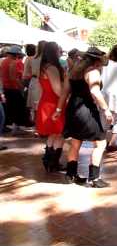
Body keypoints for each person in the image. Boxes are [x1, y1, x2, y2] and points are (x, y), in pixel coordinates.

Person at [53, 47, 112, 188]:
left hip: (73, 109)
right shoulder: (93, 72)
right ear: (97, 61)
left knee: (75, 143)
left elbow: (64, 93)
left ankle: (71, 174)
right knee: (100, 143)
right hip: (87, 110)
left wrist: (58, 110)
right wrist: (106, 110)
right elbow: (95, 92)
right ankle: (94, 178)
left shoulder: (72, 72)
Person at [36, 42, 66, 173]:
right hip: (54, 103)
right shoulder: (52, 68)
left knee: (53, 134)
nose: (60, 51)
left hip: (47, 102)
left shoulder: (43, 66)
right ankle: (53, 162)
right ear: (54, 52)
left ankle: (48, 161)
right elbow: (58, 90)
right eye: (59, 49)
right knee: (60, 134)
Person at [0, 46, 28, 133]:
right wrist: (21, 87)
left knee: (11, 108)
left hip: (6, 87)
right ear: (16, 54)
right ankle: (16, 127)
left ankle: (13, 126)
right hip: (13, 88)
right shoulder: (12, 62)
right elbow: (13, 78)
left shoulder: (4, 61)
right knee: (18, 108)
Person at [26, 41, 47, 124]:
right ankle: (40, 124)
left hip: (34, 81)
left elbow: (28, 72)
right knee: (39, 104)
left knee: (35, 106)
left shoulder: (33, 58)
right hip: (40, 82)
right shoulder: (44, 59)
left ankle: (37, 125)